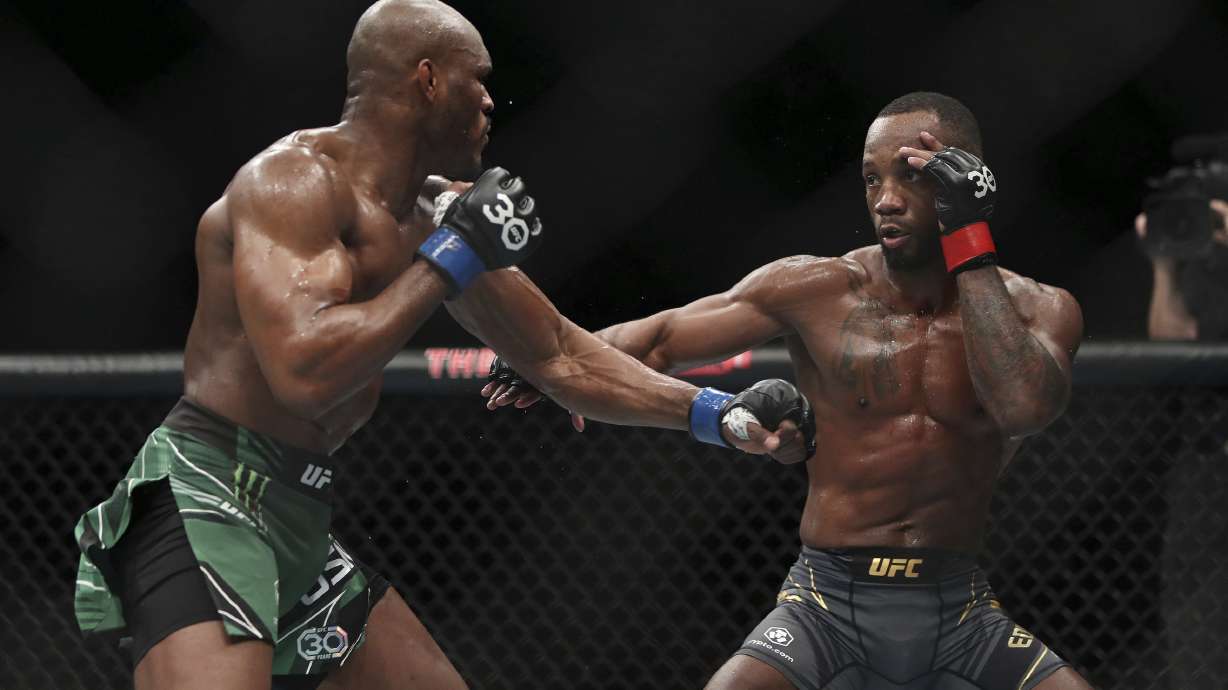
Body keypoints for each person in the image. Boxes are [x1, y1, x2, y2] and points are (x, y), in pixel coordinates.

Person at [70, 2, 813, 689]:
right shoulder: (291, 185)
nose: (492, 101)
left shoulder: (433, 214)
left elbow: (558, 355)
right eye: (479, 80)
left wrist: (718, 414)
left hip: (300, 511)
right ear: (427, 80)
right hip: (209, 495)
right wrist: (451, 257)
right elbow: (304, 371)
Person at [484, 92, 1091, 689]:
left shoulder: (1041, 309)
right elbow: (664, 336)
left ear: (964, 176)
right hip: (825, 603)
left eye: (909, 176)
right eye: (870, 179)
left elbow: (1024, 406)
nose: (885, 200)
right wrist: (541, 357)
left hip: (961, 609)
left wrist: (968, 235)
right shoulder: (819, 288)